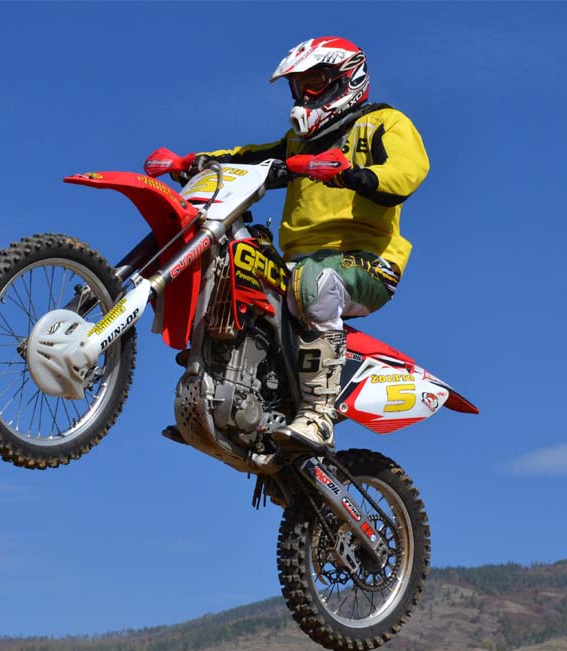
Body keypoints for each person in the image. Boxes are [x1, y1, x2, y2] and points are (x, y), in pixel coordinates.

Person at [172, 37, 429, 450]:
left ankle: (319, 415)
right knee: (233, 267)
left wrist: (353, 174)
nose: (305, 95)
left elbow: (408, 170)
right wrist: (195, 162)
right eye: (299, 86)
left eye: (314, 83)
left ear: (345, 80)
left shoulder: (384, 122)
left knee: (313, 282)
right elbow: (251, 156)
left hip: (367, 261)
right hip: (298, 263)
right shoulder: (298, 142)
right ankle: (222, 393)